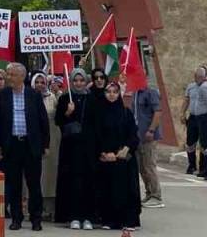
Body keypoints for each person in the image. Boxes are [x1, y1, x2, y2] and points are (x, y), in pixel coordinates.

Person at [0, 63, 49, 231]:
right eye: (8, 74)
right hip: (11, 145)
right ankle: (16, 218)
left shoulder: (34, 95)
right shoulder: (3, 95)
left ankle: (36, 218)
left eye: (12, 74)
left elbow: (43, 121)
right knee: (14, 184)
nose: (8, 77)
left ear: (22, 77)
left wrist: (45, 145)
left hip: (30, 145)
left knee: (34, 184)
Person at [92, 82, 141, 231]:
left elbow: (133, 135)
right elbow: (96, 135)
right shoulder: (99, 114)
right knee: (107, 189)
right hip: (106, 158)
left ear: (119, 94)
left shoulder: (126, 113)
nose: (111, 94)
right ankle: (108, 219)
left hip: (123, 159)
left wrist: (125, 149)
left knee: (126, 190)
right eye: (108, 92)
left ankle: (128, 221)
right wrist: (103, 153)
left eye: (115, 92)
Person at [53, 69, 94, 230]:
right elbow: (58, 121)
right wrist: (67, 112)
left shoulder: (91, 98)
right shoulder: (64, 98)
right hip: (70, 146)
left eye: (81, 80)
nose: (78, 83)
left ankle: (88, 217)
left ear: (85, 81)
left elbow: (96, 121)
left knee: (88, 181)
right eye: (75, 80)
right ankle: (73, 216)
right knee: (72, 181)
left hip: (88, 146)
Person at [181, 66, 207, 180]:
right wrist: (182, 113)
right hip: (196, 118)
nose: (195, 78)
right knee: (198, 143)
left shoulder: (205, 88)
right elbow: (187, 101)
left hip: (205, 119)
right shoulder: (193, 87)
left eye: (198, 76)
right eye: (195, 76)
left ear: (203, 77)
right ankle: (203, 169)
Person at [132, 81, 164, 208]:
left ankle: (156, 196)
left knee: (149, 165)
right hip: (138, 136)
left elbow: (158, 112)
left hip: (149, 136)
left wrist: (151, 130)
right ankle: (149, 193)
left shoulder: (151, 92)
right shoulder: (136, 93)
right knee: (142, 167)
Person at [31, 73, 59, 220]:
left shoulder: (52, 97)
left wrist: (58, 93)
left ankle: (49, 208)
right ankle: (32, 207)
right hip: (33, 139)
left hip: (51, 139)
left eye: (42, 82)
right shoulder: (27, 97)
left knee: (49, 175)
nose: (40, 85)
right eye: (37, 82)